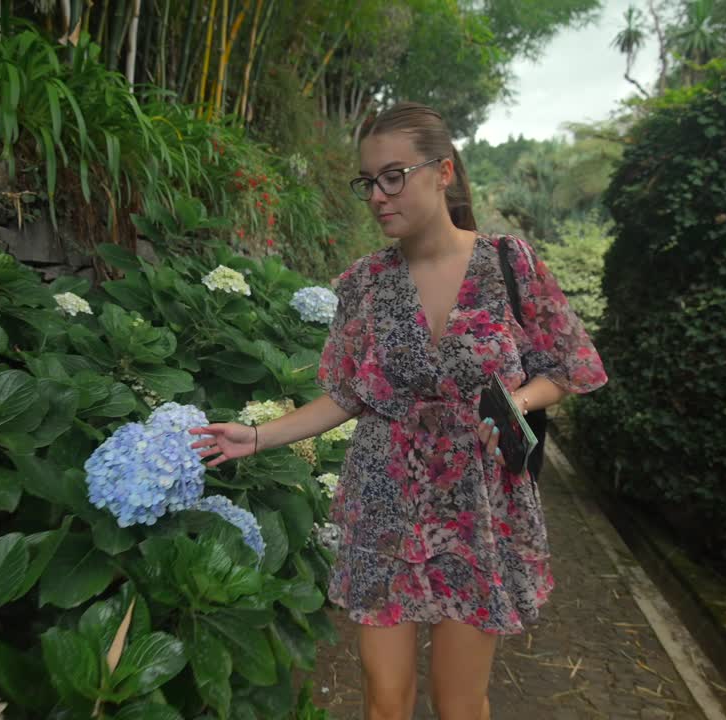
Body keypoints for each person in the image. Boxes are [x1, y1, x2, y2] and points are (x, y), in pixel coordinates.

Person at [189, 102, 608, 720]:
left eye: (394, 175)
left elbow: (570, 367)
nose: (378, 195)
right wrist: (256, 438)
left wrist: (515, 400)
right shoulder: (363, 283)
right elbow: (345, 395)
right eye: (368, 182)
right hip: (383, 503)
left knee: (459, 704)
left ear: (443, 172)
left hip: (476, 507)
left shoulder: (509, 262)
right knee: (386, 702)